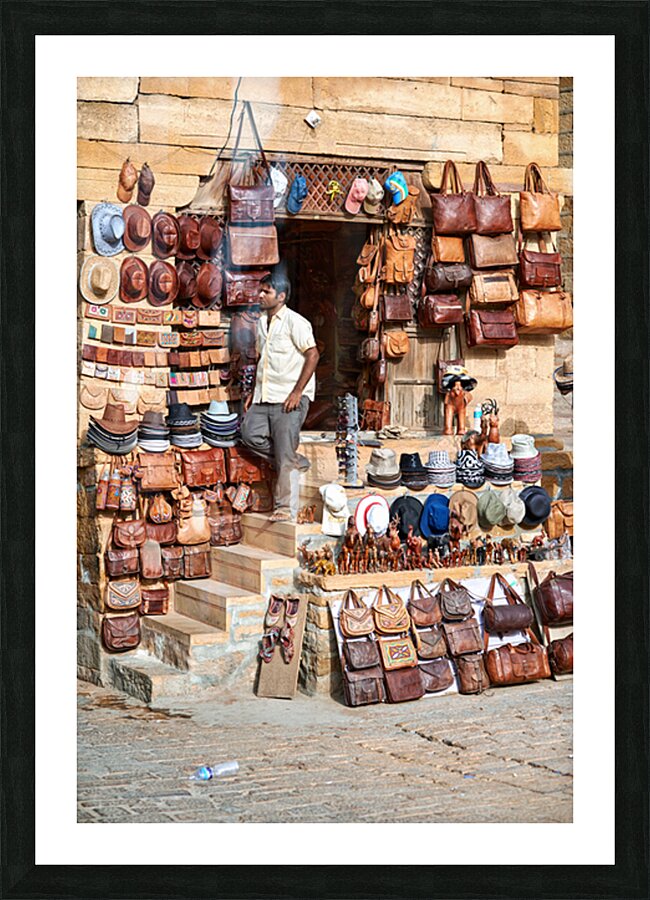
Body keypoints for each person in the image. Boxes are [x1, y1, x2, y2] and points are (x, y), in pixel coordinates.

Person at [240, 270, 319, 522]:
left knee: (284, 453)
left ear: (282, 296)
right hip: (266, 396)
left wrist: (297, 392)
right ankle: (294, 459)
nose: (261, 295)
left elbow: (313, 355)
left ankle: (285, 508)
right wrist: (254, 391)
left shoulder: (296, 322)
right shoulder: (261, 323)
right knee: (249, 434)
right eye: (260, 290)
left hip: (289, 398)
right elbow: (263, 360)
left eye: (267, 292)